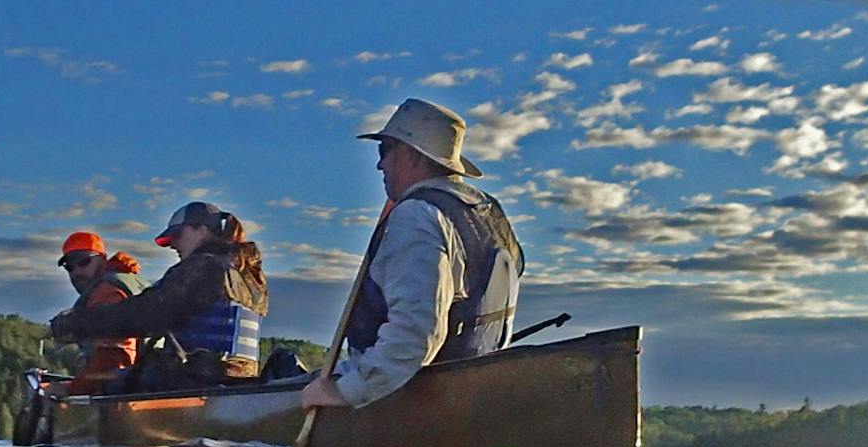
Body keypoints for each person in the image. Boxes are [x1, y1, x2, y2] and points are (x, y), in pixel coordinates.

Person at [300, 97, 522, 413]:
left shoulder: (417, 215)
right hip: (469, 387)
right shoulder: (489, 215)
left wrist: (342, 393)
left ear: (411, 154)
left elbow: (415, 336)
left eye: (384, 150)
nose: (380, 165)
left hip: (407, 397)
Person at [51, 201, 268, 386]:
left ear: (201, 231)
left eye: (177, 235)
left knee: (115, 385)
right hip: (239, 381)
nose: (172, 244)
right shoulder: (250, 276)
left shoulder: (203, 267)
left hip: (196, 384)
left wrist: (72, 323)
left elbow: (144, 314)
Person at [53, 231, 147, 394]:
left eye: (84, 262)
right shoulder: (132, 282)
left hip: (127, 400)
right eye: (69, 267)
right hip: (150, 390)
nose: (76, 272)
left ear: (102, 258)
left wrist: (71, 391)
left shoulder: (106, 292)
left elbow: (112, 360)